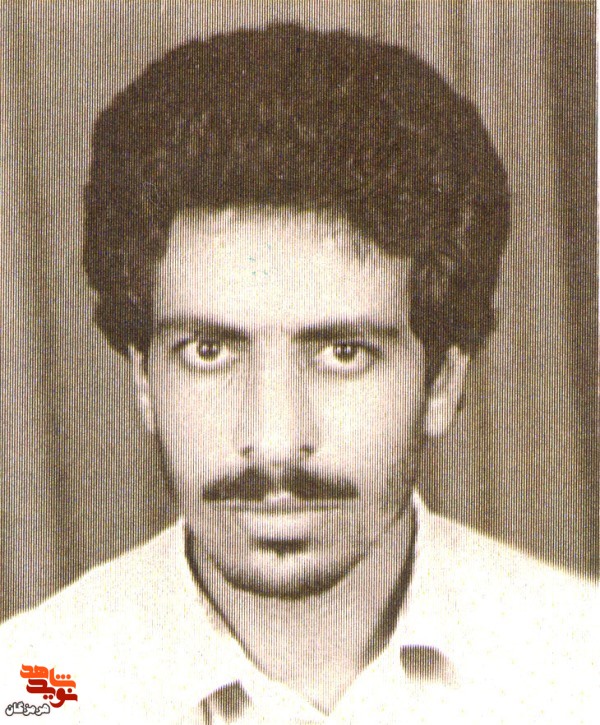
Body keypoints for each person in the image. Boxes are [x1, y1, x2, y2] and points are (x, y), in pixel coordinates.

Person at [0, 23, 596, 724]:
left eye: (343, 352)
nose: (276, 441)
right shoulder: (36, 685)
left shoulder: (577, 665)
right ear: (143, 380)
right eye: (208, 351)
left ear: (443, 383)